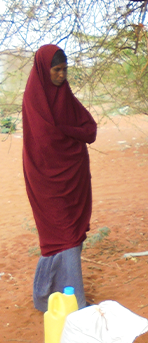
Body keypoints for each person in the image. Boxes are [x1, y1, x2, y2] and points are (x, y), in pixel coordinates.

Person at [22, 45, 97, 311]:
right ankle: (73, 302)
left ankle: (45, 295)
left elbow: (90, 129)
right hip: (46, 179)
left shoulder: (66, 97)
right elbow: (45, 140)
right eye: (57, 70)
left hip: (73, 180)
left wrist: (66, 130)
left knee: (68, 237)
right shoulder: (34, 99)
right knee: (62, 235)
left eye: (65, 69)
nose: (61, 75)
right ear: (44, 69)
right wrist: (69, 134)